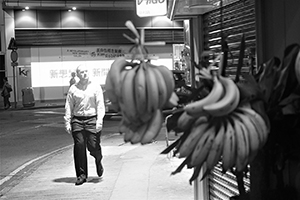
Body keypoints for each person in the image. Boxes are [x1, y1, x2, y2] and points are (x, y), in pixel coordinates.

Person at [64, 65, 106, 186]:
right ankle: (81, 175)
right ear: (77, 75)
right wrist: (67, 122)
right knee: (79, 145)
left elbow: (100, 105)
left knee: (93, 145)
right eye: (81, 72)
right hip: (77, 120)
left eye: (86, 71)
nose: (84, 74)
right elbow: (69, 106)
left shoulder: (95, 87)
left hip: (92, 119)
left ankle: (98, 158)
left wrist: (99, 121)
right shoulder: (73, 89)